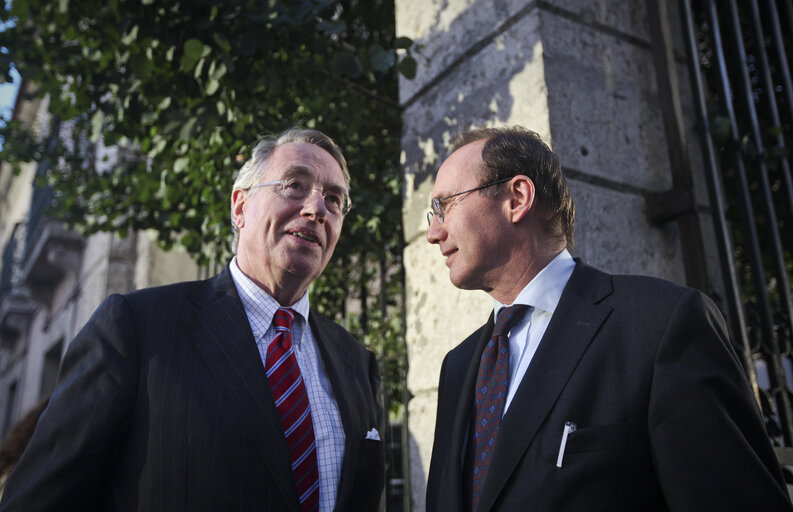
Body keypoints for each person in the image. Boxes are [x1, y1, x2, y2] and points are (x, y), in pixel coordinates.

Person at [0, 128, 384, 512]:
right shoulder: (136, 328)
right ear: (240, 207)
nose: (316, 208)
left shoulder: (356, 362)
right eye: (294, 185)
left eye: (333, 199)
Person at [424, 125, 792, 511]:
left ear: (516, 198)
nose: (433, 233)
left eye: (445, 205)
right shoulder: (458, 366)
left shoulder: (660, 325)